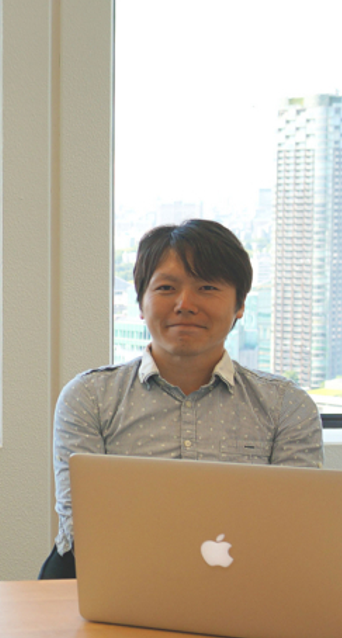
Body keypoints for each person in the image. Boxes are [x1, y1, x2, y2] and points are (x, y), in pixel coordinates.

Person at [43, 219, 322, 579]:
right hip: (116, 584)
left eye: (207, 287)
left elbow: (295, 528)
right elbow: (83, 527)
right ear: (141, 303)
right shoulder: (89, 398)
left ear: (240, 305)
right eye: (166, 288)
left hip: (245, 586)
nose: (185, 304)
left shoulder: (286, 407)